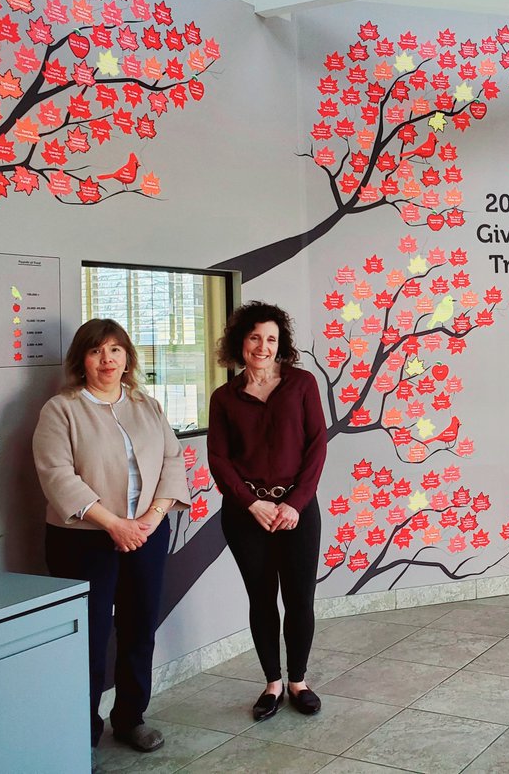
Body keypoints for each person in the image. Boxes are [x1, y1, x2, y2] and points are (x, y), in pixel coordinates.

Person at [33, 319, 189, 753]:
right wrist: (114, 523)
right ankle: (80, 733)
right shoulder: (61, 409)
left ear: (127, 358)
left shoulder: (146, 405)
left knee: (140, 629)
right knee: (89, 636)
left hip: (147, 533)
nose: (108, 359)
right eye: (97, 351)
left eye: (116, 350)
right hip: (83, 538)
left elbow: (173, 461)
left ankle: (130, 718)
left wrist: (151, 520)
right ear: (82, 360)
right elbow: (57, 475)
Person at [207, 301, 327, 721]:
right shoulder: (224, 397)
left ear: (282, 345)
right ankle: (272, 683)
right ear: (241, 342)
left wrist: (294, 504)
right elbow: (219, 459)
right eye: (255, 337)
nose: (263, 346)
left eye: (271, 339)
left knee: (300, 600)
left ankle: (299, 681)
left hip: (298, 512)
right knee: (261, 599)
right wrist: (252, 503)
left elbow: (317, 447)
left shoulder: (302, 384)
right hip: (246, 515)